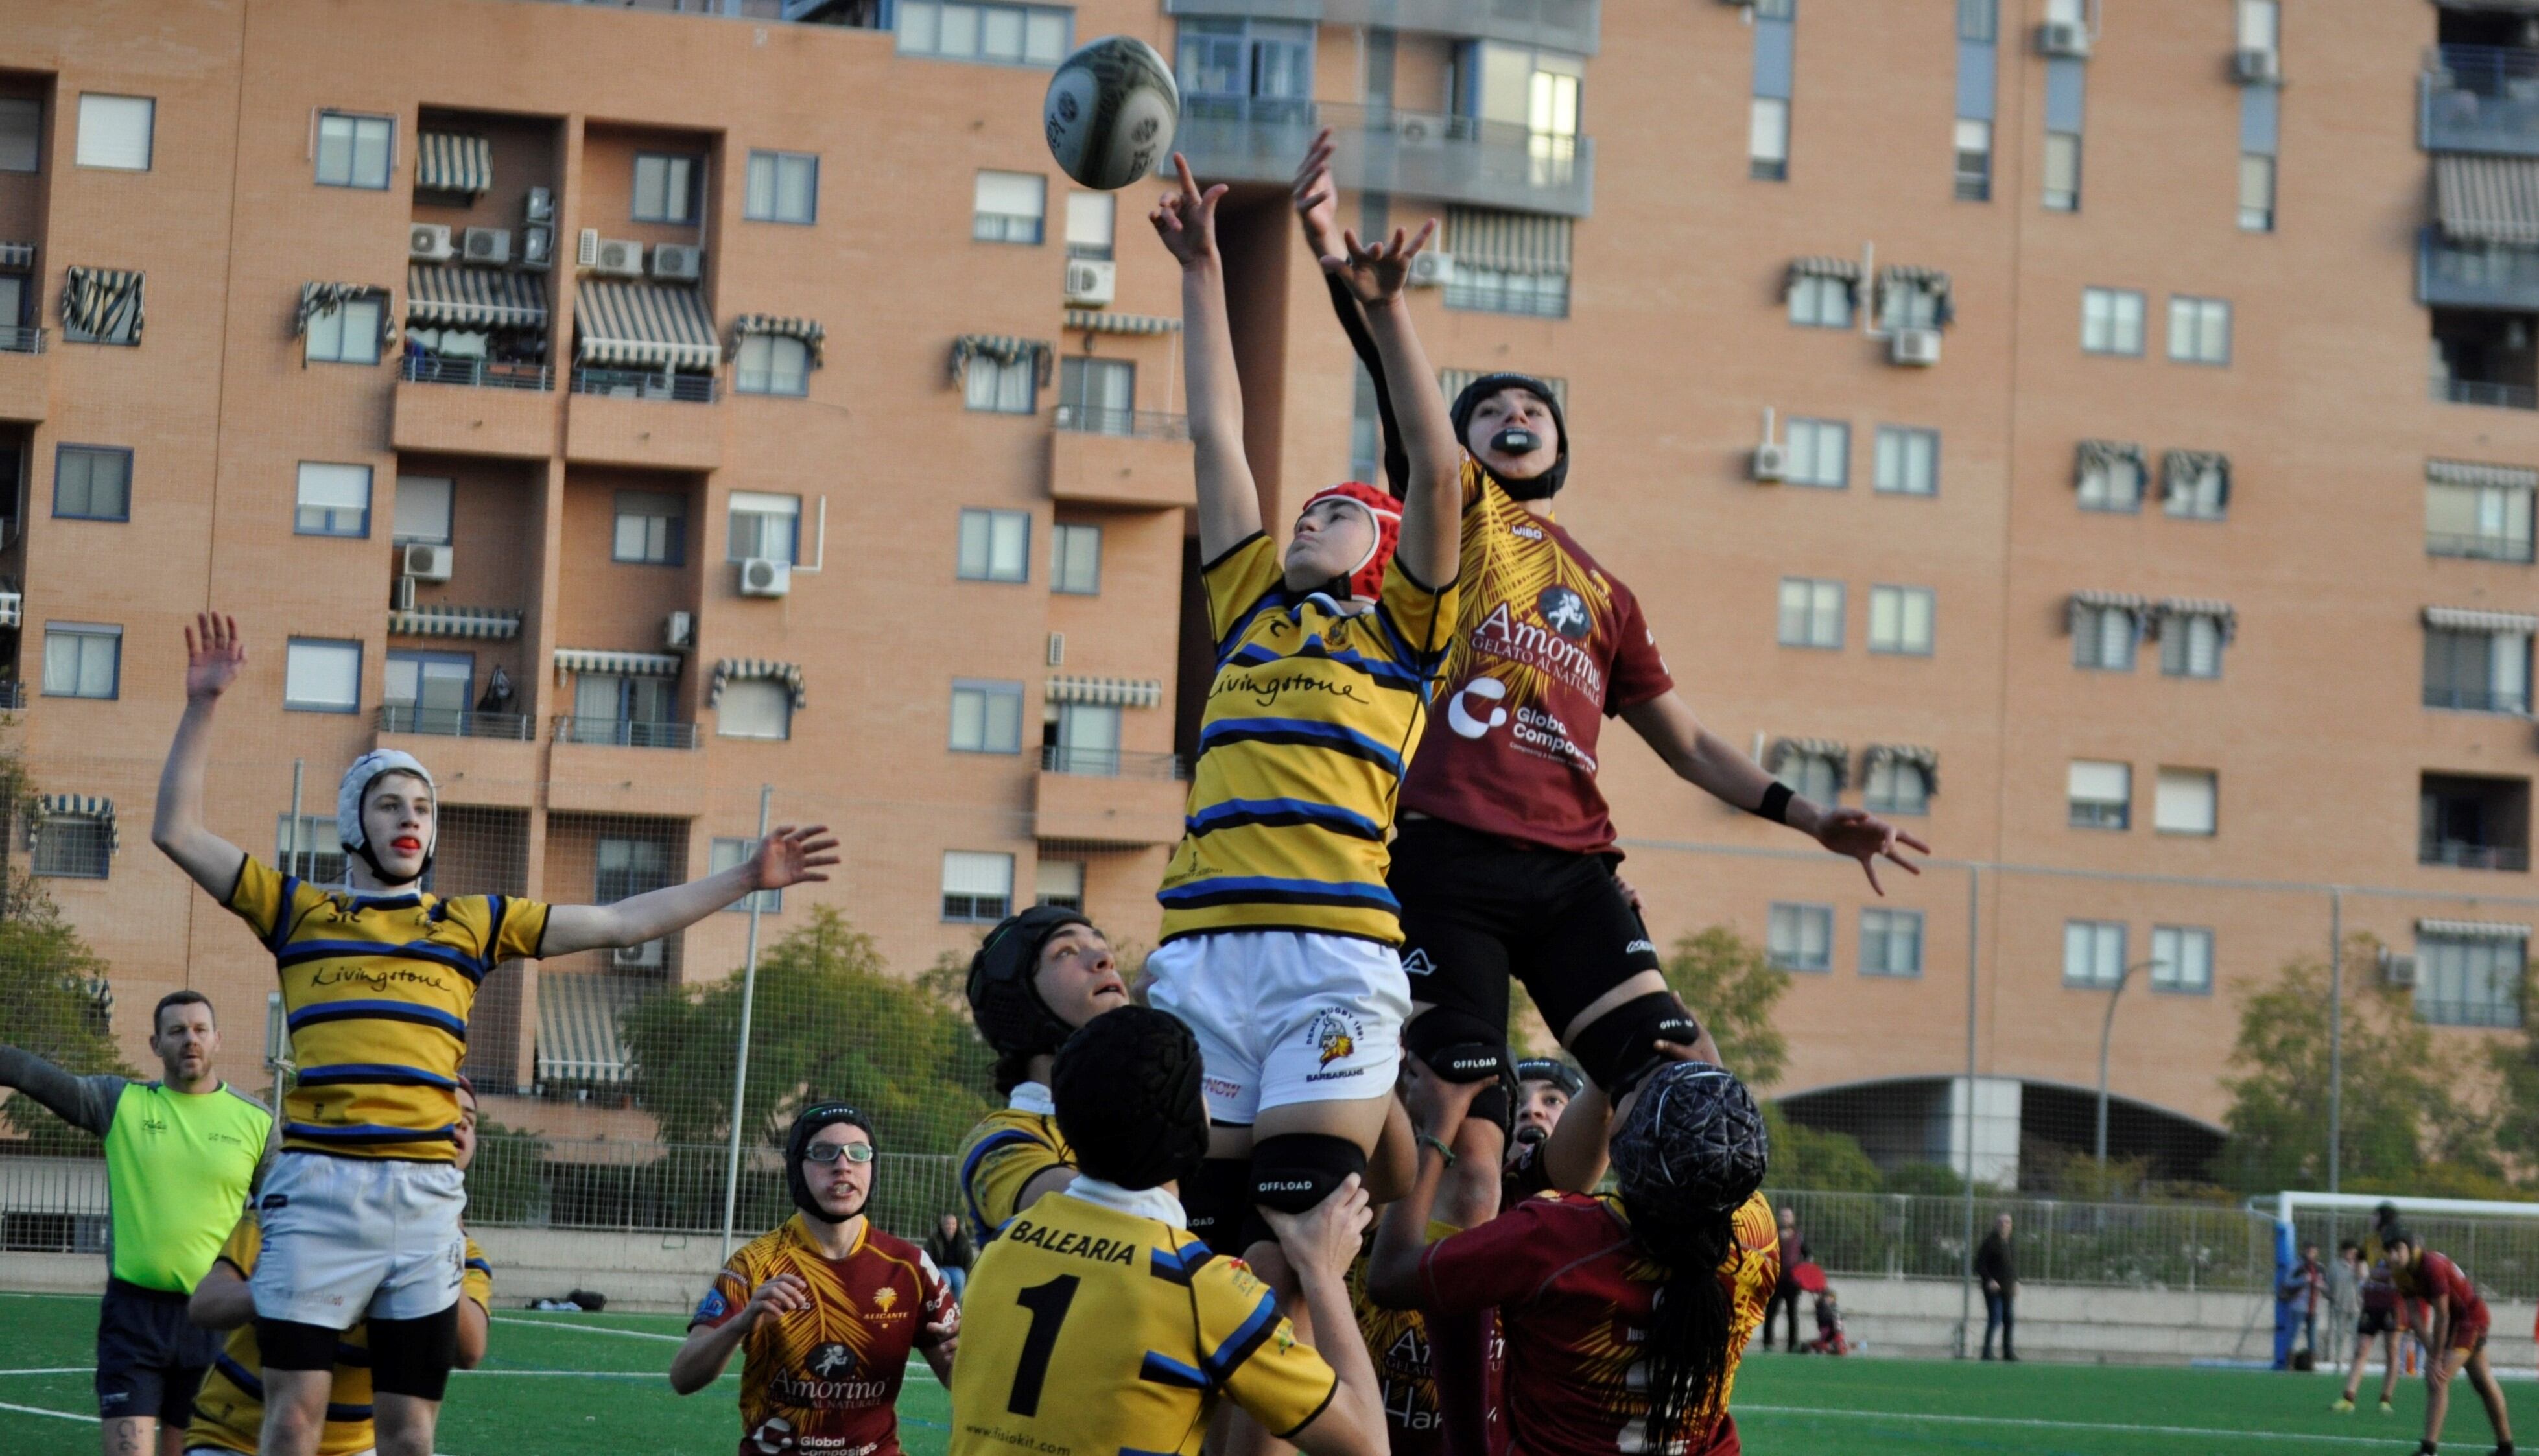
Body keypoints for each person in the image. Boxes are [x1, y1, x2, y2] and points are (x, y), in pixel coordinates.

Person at [1288, 130, 1928, 1238]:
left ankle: (1664, 1298)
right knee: (1462, 1137)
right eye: (1487, 409)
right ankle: (1408, 1347)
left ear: (1560, 441)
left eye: (1530, 406)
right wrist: (1357, 285)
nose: (1510, 415)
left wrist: (1814, 818)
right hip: (1447, 853)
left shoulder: (1603, 589)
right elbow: (1413, 424)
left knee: (1688, 1072)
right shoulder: (1454, 520)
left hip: (1575, 869)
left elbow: (1684, 743)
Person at [151, 613, 837, 1456]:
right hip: (320, 1189)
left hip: (425, 1198)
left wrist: (744, 876)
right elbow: (175, 833)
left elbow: (622, 918)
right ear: (353, 822)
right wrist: (203, 704)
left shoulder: (470, 922)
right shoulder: (300, 911)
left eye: (425, 805)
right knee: (291, 1422)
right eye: (390, 802)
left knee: (409, 1434)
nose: (411, 816)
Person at [1141, 155, 1463, 1267]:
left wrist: (1388, 311)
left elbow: (1437, 474)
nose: (1314, 511)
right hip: (1202, 956)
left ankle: (1400, 1216)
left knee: (1291, 1241)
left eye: (1342, 511)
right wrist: (1201, 271)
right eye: (1309, 505)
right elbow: (1216, 437)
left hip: (1332, 956)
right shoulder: (1246, 611)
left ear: (1383, 554)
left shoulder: (1402, 634)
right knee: (1203, 1250)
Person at [948, 1005, 1391, 1456]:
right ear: (1195, 1119)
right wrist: (1322, 1273)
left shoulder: (1002, 1245)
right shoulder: (1200, 1288)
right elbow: (1368, 1445)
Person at [1366, 1059, 1778, 1456]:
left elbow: (1389, 1276)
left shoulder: (1553, 1239)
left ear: (1623, 1143)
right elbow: (1719, 1157)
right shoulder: (1756, 1238)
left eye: (1634, 1093)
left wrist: (1437, 1126)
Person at [0, 992, 273, 1456]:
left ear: (218, 1040)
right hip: (134, 1320)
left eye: (200, 1030)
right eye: (177, 1031)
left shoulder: (257, 1122)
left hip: (216, 1325)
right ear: (155, 1044)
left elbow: (283, 1219)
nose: (190, 1040)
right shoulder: (117, 1102)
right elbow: (33, 1076)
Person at [183, 1081, 496, 1456]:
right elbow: (205, 1304)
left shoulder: (465, 1254)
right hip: (238, 1437)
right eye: (447, 1113)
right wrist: (285, 1285)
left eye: (470, 1120)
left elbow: (471, 1350)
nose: (461, 1124)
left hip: (354, 1448)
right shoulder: (293, 1212)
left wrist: (429, 1246)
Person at [670, 1103, 958, 1456]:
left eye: (858, 1153)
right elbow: (683, 1377)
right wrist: (741, 1325)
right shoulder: (754, 1264)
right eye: (824, 1153)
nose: (843, 1165)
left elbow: (956, 1378)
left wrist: (967, 1358)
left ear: (872, 1167)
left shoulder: (910, 1266)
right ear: (797, 1166)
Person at [954, 906, 1131, 1245]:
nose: (1104, 959)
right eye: (1065, 952)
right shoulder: (998, 1143)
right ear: (1021, 1003)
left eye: (1102, 946)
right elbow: (1108, 1223)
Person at [2384, 1228, 2514, 1456]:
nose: (2393, 1256)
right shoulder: (2400, 1271)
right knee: (2481, 1382)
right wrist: (2431, 1350)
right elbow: (2414, 1315)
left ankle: (2428, 1449)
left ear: (2410, 1247)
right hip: (2455, 1322)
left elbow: (2442, 1316)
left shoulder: (2431, 1266)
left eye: (2397, 1249)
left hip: (2470, 1319)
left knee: (2438, 1377)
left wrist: (2436, 1358)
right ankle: (2506, 1448)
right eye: (2389, 1251)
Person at [2336, 1204, 2408, 1413]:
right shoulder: (2369, 1240)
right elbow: (2361, 1262)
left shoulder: (2398, 1242)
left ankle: (2386, 1399)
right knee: (2362, 1348)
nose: (2371, 1219)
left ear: (2384, 1219)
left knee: (2392, 1350)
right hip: (2371, 1303)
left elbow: (2400, 1270)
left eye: (2375, 1216)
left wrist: (2380, 1275)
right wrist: (2363, 1279)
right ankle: (2348, 1398)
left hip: (2392, 1304)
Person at [1764, 1207, 1807, 1355]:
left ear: (1793, 1218)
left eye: (1788, 1216)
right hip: (1776, 1280)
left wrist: (1803, 1272)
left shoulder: (1799, 1236)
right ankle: (1768, 1342)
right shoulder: (1773, 1235)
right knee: (1771, 1312)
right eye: (1783, 1216)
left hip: (1793, 1282)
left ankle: (1792, 1344)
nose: (1785, 1218)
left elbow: (1808, 1255)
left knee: (1792, 1313)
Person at [1975, 1212, 2016, 1361]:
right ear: (1996, 1225)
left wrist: (2015, 1281)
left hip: (2007, 1288)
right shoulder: (1990, 1243)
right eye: (2001, 1222)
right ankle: (1987, 1352)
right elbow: (1979, 1265)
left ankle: (2008, 1352)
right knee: (1995, 1319)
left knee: (2009, 1320)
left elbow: (2012, 1266)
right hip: (1993, 1289)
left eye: (2007, 1223)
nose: (2004, 1225)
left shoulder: (2011, 1242)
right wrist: (1990, 1280)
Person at [2324, 1239, 2363, 1372]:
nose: (2351, 1254)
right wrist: (2330, 1296)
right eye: (2349, 1251)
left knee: (2356, 1336)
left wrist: (2357, 1267)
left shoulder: (2360, 1265)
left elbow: (2364, 1280)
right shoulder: (2335, 1266)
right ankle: (2338, 1360)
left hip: (2356, 1306)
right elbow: (2328, 1284)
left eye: (2354, 1252)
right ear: (2344, 1252)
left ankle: (2356, 1361)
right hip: (2340, 1305)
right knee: (2340, 1334)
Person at [928, 1212, 978, 1302]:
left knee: (959, 1281)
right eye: (947, 1224)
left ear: (957, 1225)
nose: (951, 1226)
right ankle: (945, 1307)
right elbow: (928, 1256)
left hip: (957, 1268)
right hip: (940, 1268)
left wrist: (966, 1274)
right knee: (946, 1283)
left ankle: (956, 1307)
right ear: (942, 1226)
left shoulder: (963, 1239)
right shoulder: (934, 1239)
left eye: (953, 1224)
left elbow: (969, 1258)